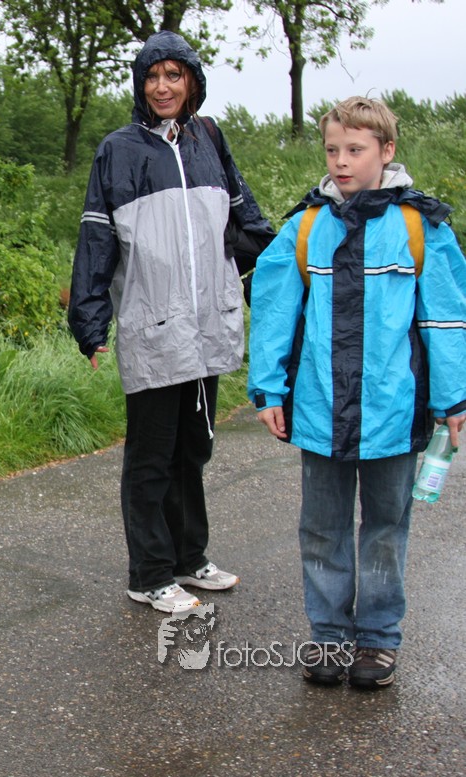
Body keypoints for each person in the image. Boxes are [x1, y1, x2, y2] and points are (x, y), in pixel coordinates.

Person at [247, 96, 466, 689]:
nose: (341, 161)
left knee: (385, 529)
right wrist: (268, 389)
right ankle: (329, 637)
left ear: (386, 151)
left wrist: (453, 399)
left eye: (355, 150)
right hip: (320, 411)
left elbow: (445, 319)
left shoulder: (421, 228)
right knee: (322, 528)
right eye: (332, 150)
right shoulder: (306, 226)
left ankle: (377, 639)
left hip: (396, 413)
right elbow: (274, 312)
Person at [67, 31, 274, 613]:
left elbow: (247, 221)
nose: (163, 87)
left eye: (174, 75)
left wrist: (273, 288)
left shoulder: (209, 138)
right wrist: (90, 321)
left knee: (193, 449)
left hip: (207, 325)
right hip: (154, 326)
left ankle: (188, 558)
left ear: (192, 82)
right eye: (153, 76)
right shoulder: (118, 150)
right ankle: (150, 573)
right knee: (152, 456)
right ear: (141, 84)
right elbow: (96, 238)